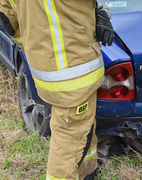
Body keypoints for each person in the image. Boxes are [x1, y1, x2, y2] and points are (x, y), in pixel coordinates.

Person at [0, 0, 114, 179]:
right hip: (75, 72)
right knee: (70, 135)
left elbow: (7, 18)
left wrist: (33, 49)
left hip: (46, 70)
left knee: (81, 124)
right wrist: (102, 12)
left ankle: (88, 170)